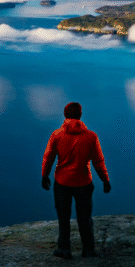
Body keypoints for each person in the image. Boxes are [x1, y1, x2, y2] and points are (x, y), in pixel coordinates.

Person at [41, 102, 111, 259]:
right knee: (85, 217)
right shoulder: (91, 136)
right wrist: (105, 180)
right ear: (80, 115)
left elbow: (49, 157)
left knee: (63, 217)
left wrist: (44, 176)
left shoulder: (56, 135)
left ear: (65, 115)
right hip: (83, 183)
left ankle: (64, 249)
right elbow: (98, 162)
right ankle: (88, 250)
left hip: (62, 182)